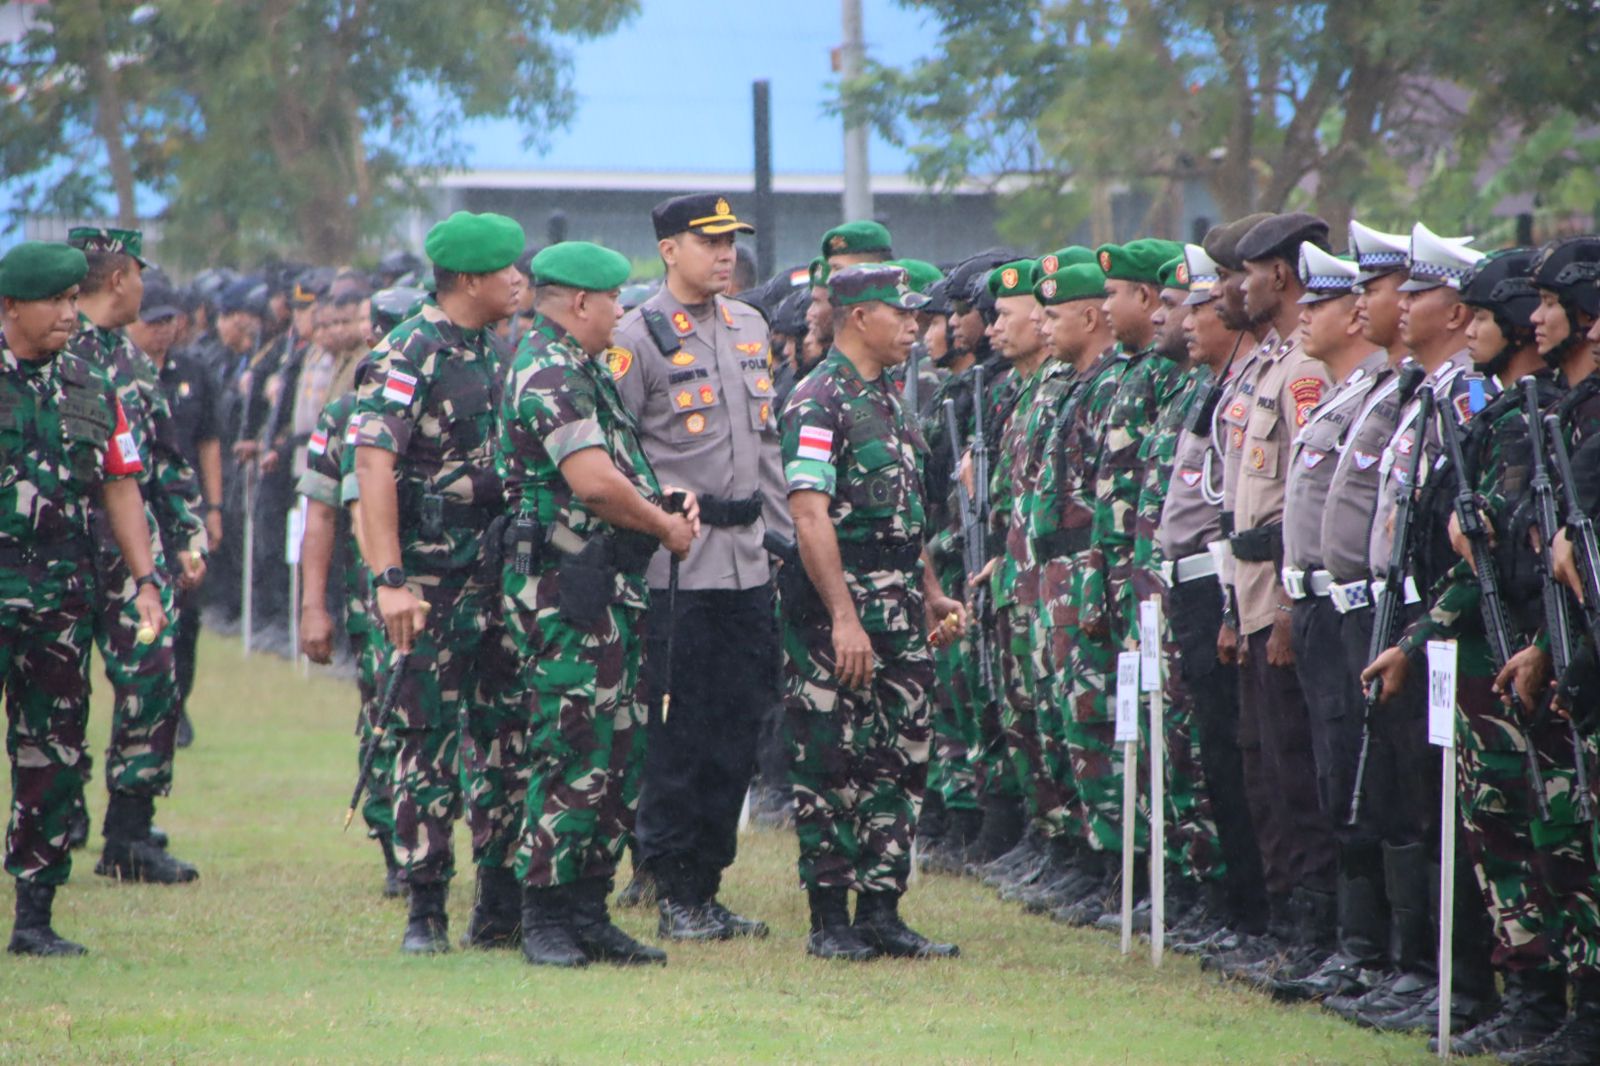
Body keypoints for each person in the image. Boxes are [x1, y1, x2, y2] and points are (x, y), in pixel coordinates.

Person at [496, 240, 700, 968]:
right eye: (614, 298)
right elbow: (592, 485)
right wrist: (662, 524)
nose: (622, 311)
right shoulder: (549, 370)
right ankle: (544, 913)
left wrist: (660, 502)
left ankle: (589, 908)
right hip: (564, 593)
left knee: (620, 750)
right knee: (571, 747)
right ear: (579, 301)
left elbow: (621, 472)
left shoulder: (584, 369)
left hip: (606, 588)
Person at [610, 193, 788, 942]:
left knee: (737, 732)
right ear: (668, 250)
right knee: (679, 735)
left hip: (748, 564)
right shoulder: (635, 336)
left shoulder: (750, 326)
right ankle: (669, 881)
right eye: (707, 240)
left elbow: (769, 450)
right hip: (676, 569)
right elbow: (614, 455)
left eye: (731, 241)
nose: (724, 254)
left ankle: (704, 885)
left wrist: (782, 543)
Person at [778, 263, 965, 960]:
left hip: (898, 603)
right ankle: (830, 918)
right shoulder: (816, 400)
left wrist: (930, 589)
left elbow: (904, 515)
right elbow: (809, 514)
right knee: (832, 759)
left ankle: (882, 909)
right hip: (841, 605)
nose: (915, 325)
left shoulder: (889, 396)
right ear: (860, 318)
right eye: (901, 313)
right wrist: (843, 617)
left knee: (900, 755)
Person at [352, 211, 523, 953]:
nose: (521, 280)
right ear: (472, 280)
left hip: (494, 574)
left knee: (506, 735)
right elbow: (372, 466)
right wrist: (390, 578)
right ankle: (426, 908)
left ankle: (501, 901)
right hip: (425, 579)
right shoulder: (408, 351)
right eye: (509, 271)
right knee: (425, 739)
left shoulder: (493, 348)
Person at [0, 240, 167, 954]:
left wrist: (146, 580)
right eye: (56, 302)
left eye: (75, 300)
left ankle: (34, 916)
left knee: (54, 757)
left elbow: (120, 484)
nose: (72, 313)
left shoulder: (89, 381)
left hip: (59, 607)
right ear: (11, 307)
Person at [66, 227, 206, 884]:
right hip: (58, 551)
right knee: (53, 693)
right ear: (120, 277)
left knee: (151, 681)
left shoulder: (131, 359)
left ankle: (128, 831)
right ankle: (53, 819)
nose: (146, 289)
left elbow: (165, 459)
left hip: (134, 561)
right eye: (140, 276)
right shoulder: (51, 347)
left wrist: (187, 535)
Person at [133, 276, 223, 750]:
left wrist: (213, 508)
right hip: (131, 513)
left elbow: (209, 442)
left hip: (181, 516)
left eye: (170, 320)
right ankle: (146, 708)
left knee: (186, 618)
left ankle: (177, 705)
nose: (163, 330)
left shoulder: (195, 373)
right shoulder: (119, 375)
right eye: (154, 321)